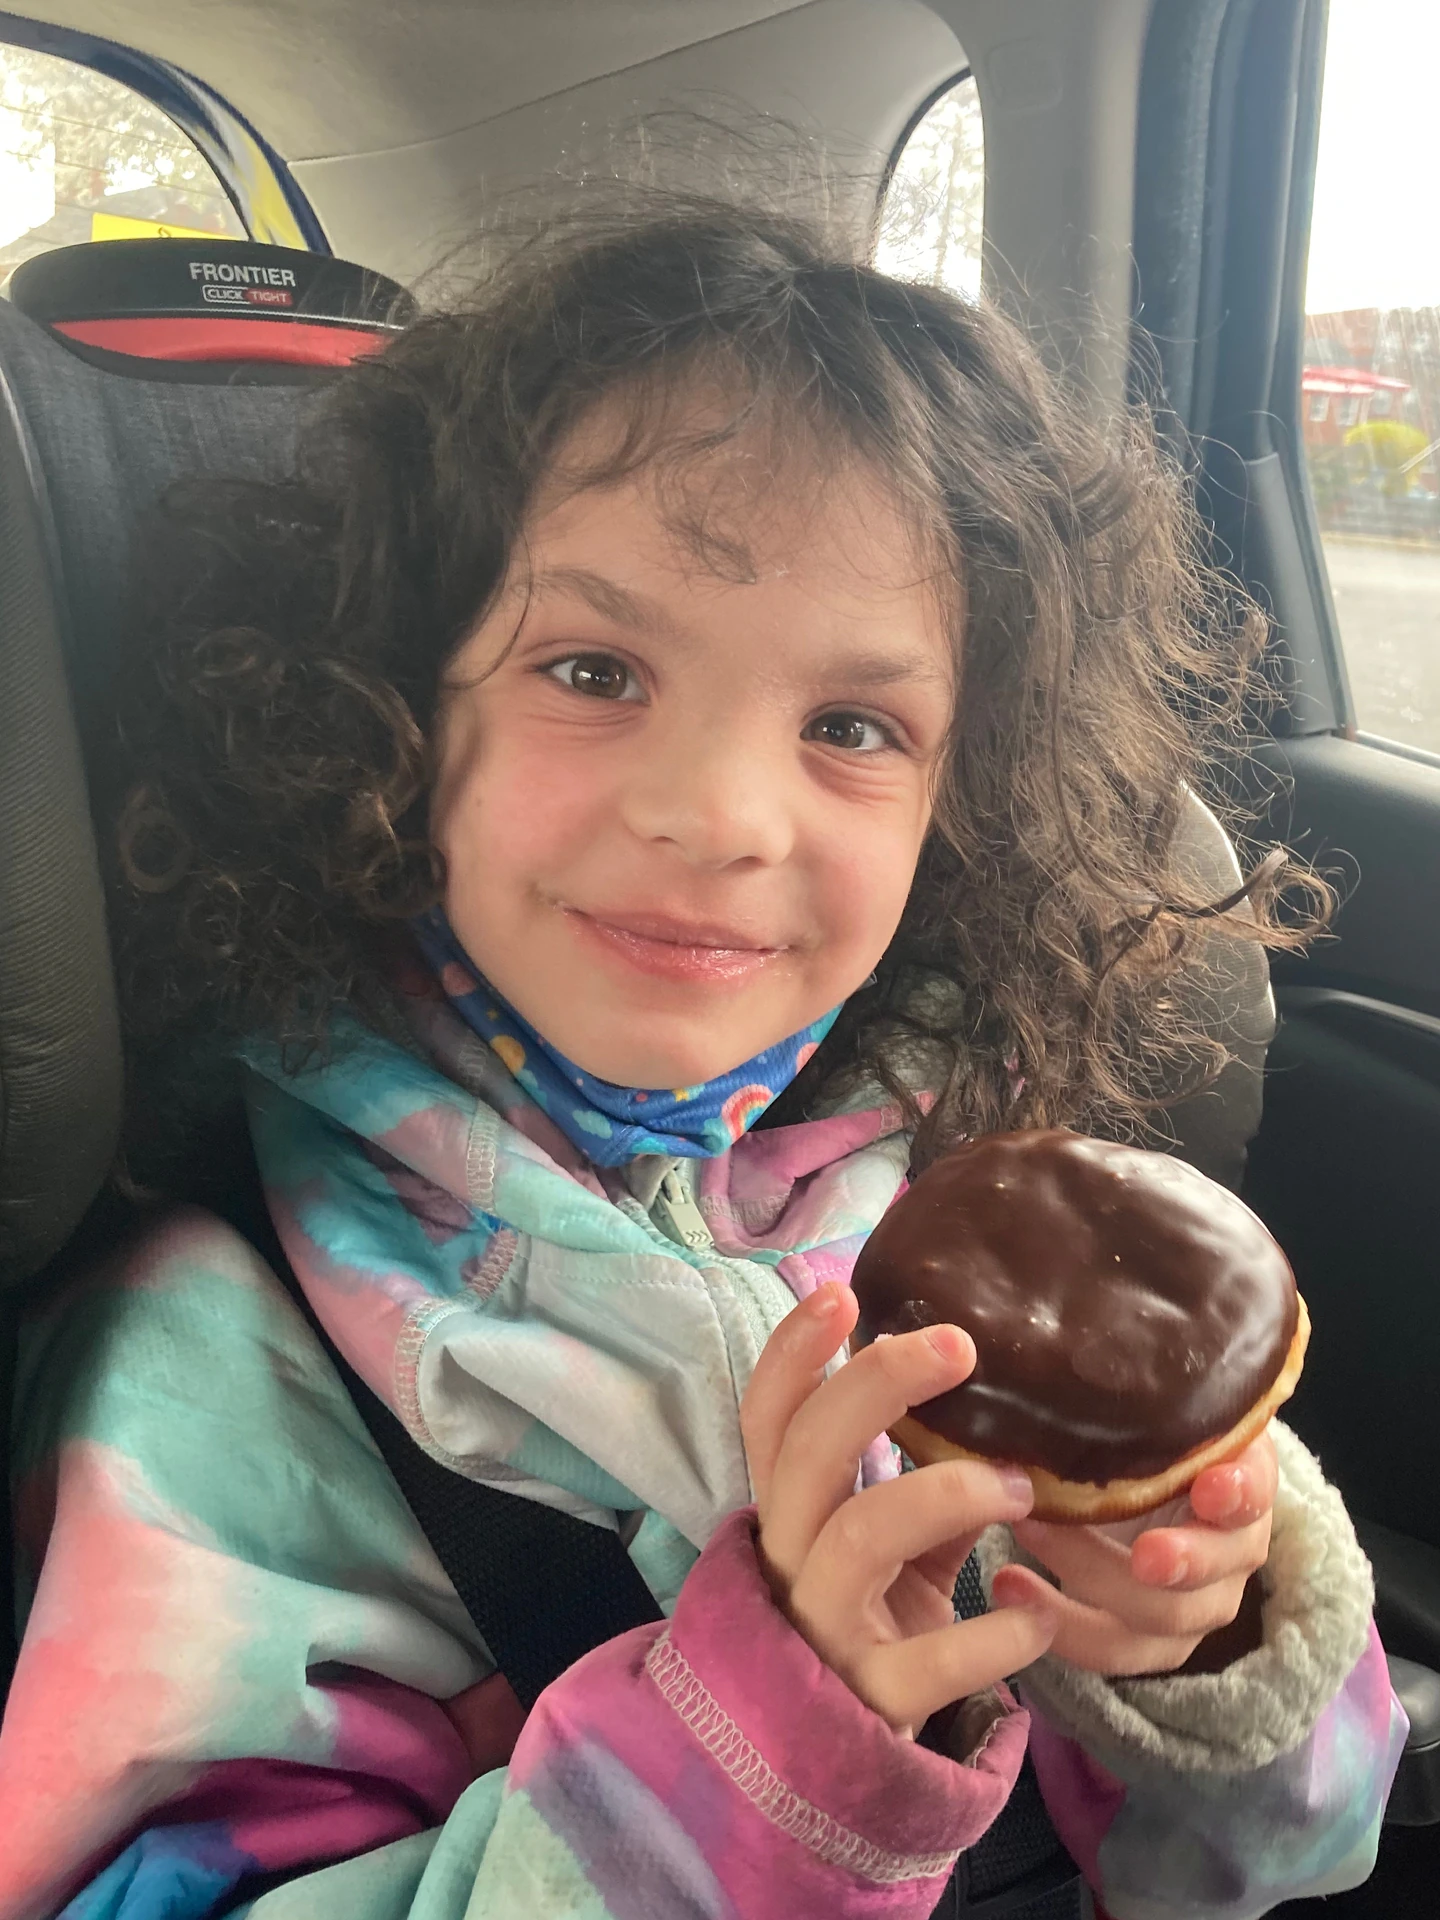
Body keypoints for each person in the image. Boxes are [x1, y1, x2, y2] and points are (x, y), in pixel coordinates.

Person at [0, 200, 1405, 1920]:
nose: (721, 817)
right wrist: (767, 1760)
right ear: (393, 703)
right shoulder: (217, 1357)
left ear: (960, 793)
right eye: (593, 669)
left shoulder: (989, 1198)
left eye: (851, 727)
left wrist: (1209, 1649)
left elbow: (1286, 1863)